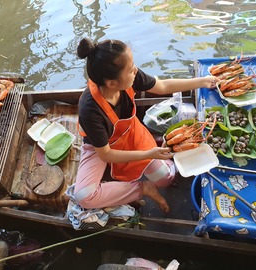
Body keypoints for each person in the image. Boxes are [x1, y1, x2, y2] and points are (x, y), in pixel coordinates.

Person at [73, 37, 219, 213]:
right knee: (84, 196)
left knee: (166, 179)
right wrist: (150, 154)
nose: (135, 70)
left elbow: (163, 86)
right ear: (112, 83)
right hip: (100, 148)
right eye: (130, 69)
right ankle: (143, 189)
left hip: (131, 134)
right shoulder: (90, 110)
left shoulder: (129, 77)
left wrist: (202, 81)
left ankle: (159, 155)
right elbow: (106, 154)